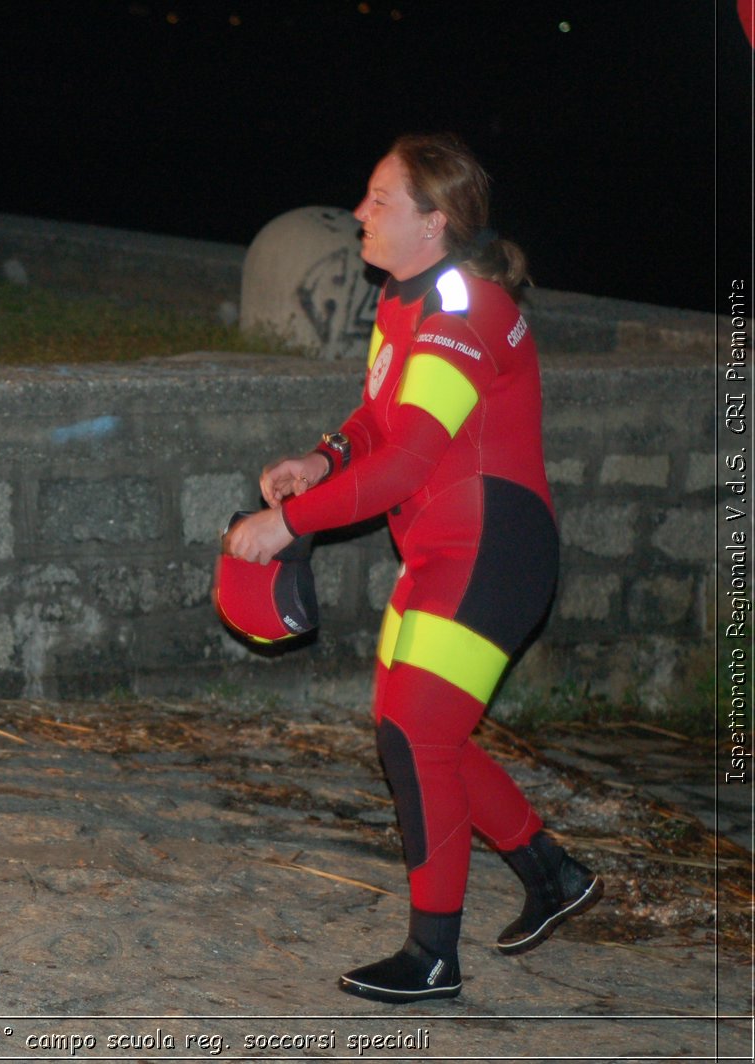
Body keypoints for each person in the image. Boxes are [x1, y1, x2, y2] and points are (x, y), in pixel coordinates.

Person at [225, 134, 601, 1002]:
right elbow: (379, 419)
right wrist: (323, 460)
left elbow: (402, 467)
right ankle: (552, 874)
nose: (359, 213)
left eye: (379, 201)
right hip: (448, 549)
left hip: (489, 553)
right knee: (417, 727)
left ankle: (434, 955)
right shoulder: (411, 298)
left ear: (434, 223)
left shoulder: (461, 314)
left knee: (414, 734)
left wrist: (285, 524)